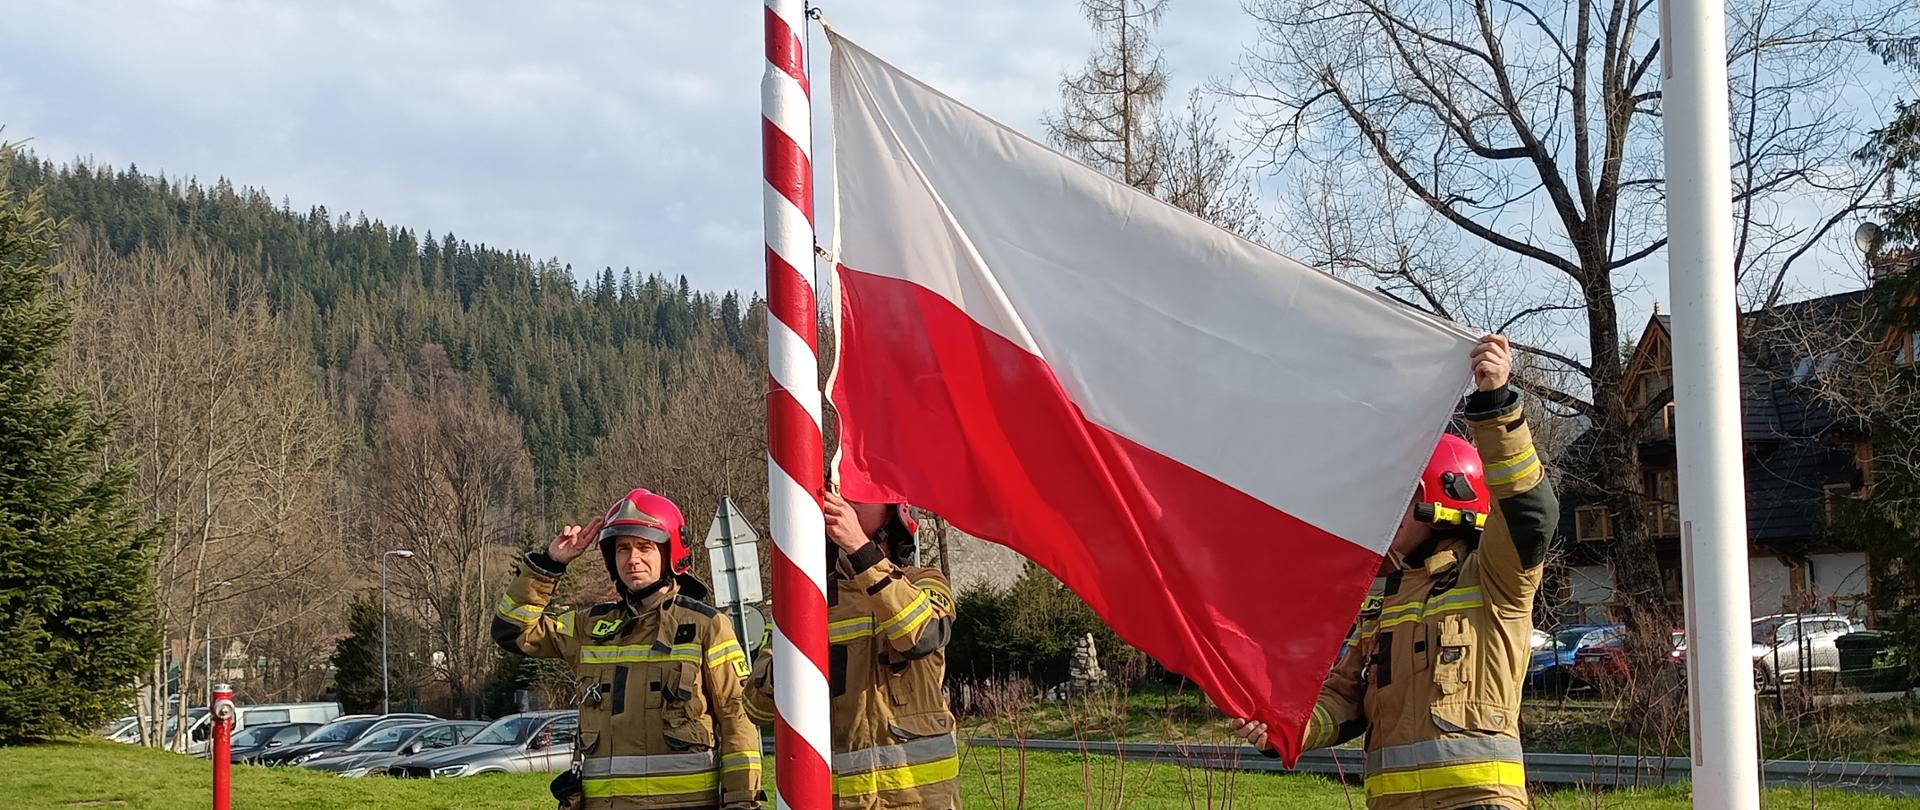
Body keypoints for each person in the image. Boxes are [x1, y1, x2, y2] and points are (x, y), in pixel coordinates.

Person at [1229, 334, 1557, 810]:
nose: (1386, 511)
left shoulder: (1494, 577)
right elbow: (1344, 699)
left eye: (1401, 497)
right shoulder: (1385, 598)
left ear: (1444, 500)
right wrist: (1278, 726)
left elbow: (1530, 512)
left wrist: (1496, 404)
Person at [493, 488, 762, 810]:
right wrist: (549, 566)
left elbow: (737, 719)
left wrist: (741, 803)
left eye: (644, 547)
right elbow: (512, 630)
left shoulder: (706, 626)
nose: (632, 559)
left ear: (670, 552)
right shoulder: (588, 627)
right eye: (622, 549)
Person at [743, 492, 960, 809]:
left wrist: (860, 548)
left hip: (921, 800)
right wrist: (791, 667)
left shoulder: (925, 581)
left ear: (894, 512)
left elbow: (922, 636)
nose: (845, 499)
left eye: (861, 493)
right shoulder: (807, 603)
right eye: (839, 491)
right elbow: (755, 708)